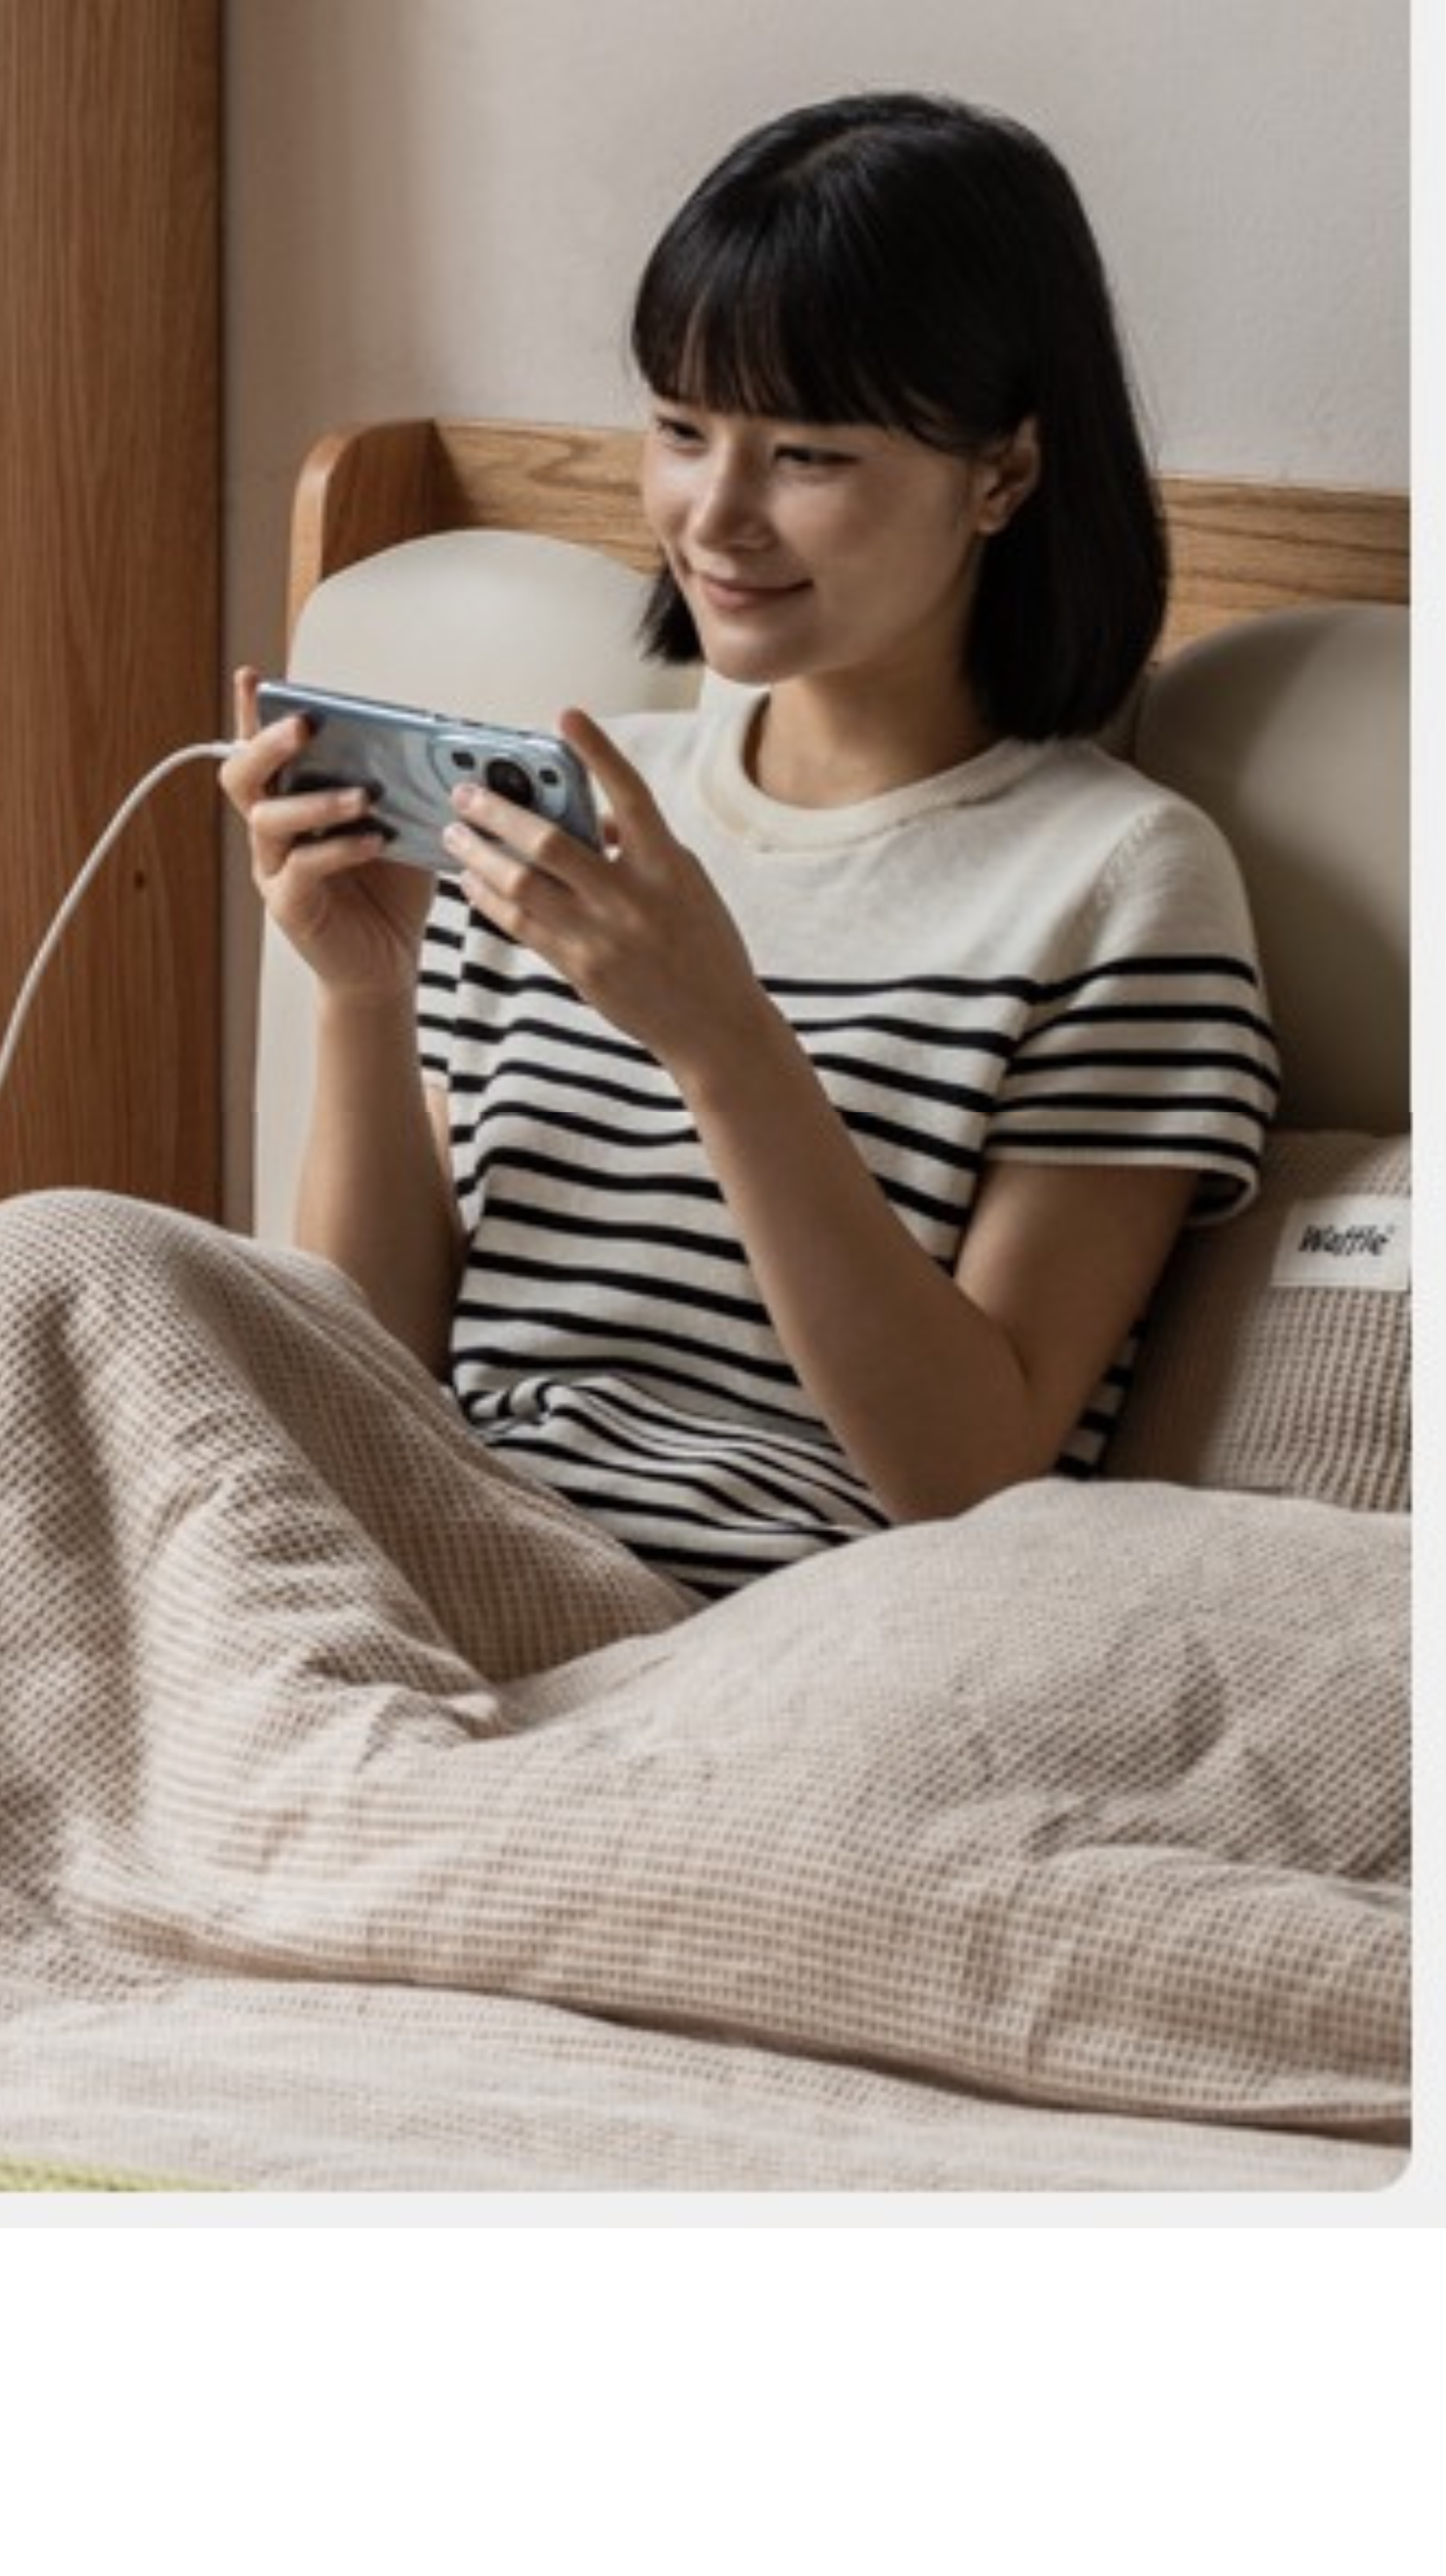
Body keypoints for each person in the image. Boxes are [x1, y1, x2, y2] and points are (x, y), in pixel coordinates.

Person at [224, 90, 1277, 1600]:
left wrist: (721, 1039)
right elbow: (370, 1379)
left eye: (805, 454)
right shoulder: (573, 807)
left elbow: (973, 1481)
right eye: (676, 429)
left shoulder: (1116, 887)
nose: (711, 516)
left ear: (1001, 475)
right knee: (58, 1273)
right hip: (422, 1557)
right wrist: (361, 993)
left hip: (760, 1631)